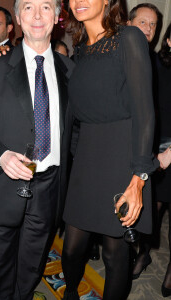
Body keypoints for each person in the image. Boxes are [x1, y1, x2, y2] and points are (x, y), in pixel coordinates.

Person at [0, 0, 74, 298]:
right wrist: (0, 154)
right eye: (28, 7)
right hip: (5, 182)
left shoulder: (70, 70)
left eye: (45, 6)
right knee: (2, 263)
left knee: (32, 263)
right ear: (17, 16)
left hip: (50, 185)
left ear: (57, 15)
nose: (37, 15)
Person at [61, 0, 158, 299]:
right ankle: (71, 294)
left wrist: (138, 178)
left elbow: (145, 112)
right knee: (72, 249)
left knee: (115, 255)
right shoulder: (81, 49)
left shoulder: (129, 38)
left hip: (121, 158)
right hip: (87, 159)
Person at [132, 23, 171, 297]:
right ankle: (143, 254)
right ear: (168, 38)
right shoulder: (155, 63)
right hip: (157, 149)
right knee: (151, 210)